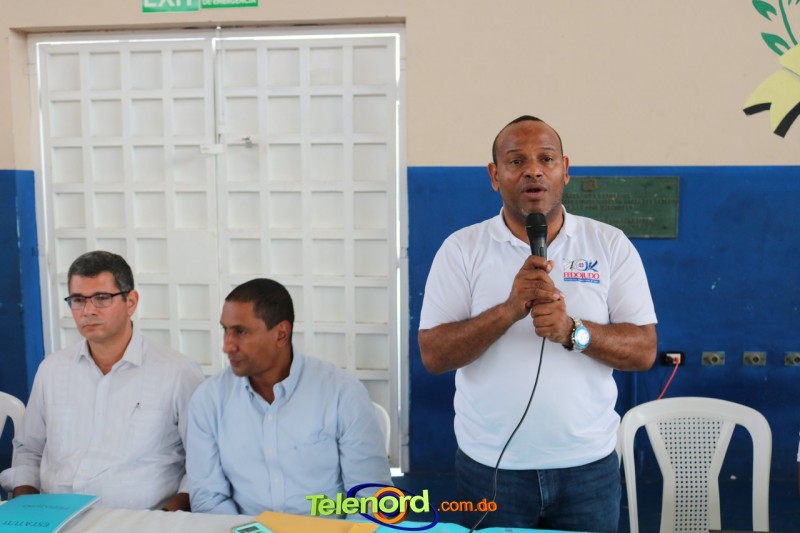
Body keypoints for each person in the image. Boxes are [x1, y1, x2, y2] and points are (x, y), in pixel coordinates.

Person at [418, 115, 657, 532]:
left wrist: (573, 332)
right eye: (516, 161)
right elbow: (434, 356)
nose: (533, 170)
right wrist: (508, 310)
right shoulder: (461, 249)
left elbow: (644, 350)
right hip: (491, 470)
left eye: (545, 159)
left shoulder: (609, 244)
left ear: (565, 169)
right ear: (495, 175)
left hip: (588, 468)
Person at [0, 251, 204, 510]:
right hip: (55, 515)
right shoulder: (52, 369)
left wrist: (167, 518)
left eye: (101, 298)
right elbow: (29, 450)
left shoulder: (178, 373)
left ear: (131, 302)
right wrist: (27, 512)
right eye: (78, 300)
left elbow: (202, 463)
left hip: (142, 519)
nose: (88, 311)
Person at [186, 278, 391, 516]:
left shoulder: (342, 394)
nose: (227, 346)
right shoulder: (209, 400)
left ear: (281, 334)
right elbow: (208, 499)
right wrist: (248, 531)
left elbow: (371, 499)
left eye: (240, 332)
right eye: (225, 330)